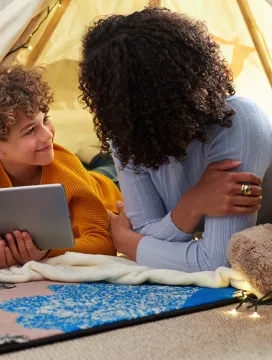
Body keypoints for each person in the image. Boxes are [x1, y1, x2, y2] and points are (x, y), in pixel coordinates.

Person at [78, 7, 272, 272]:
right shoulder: (127, 131)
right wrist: (192, 204)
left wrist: (129, 243)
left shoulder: (238, 121)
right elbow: (145, 228)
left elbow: (219, 261)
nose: (98, 110)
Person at [0, 63, 123, 268]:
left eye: (46, 120)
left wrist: (47, 251)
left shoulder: (66, 171)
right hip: (86, 174)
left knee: (114, 165)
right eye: (30, 130)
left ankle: (101, 157)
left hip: (111, 187)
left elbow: (103, 243)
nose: (47, 135)